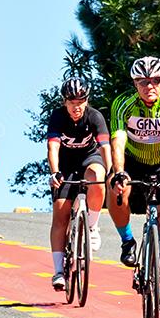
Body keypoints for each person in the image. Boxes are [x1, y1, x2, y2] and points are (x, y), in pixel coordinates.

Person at [107, 56, 160, 313]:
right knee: (116, 187)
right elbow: (118, 141)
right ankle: (127, 240)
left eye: (155, 80)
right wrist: (119, 172)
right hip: (133, 160)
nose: (149, 86)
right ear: (135, 83)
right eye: (143, 81)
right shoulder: (123, 104)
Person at [47, 77, 111, 291]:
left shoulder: (95, 116)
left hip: (89, 159)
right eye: (72, 102)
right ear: (64, 102)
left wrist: (111, 172)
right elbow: (53, 147)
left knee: (97, 176)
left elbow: (105, 147)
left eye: (81, 101)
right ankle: (58, 271)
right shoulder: (57, 117)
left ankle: (92, 226)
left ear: (87, 100)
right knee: (60, 213)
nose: (76, 107)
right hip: (65, 164)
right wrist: (54, 172)